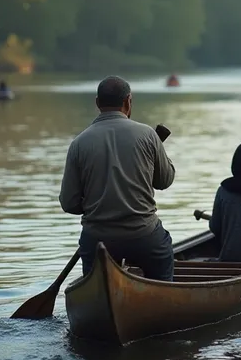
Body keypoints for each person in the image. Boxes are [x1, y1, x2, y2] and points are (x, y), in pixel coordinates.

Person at [59, 75, 175, 280]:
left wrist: (95, 205)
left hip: (97, 239)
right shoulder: (148, 135)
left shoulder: (79, 143)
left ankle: (99, 301)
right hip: (144, 236)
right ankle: (163, 299)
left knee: (92, 278)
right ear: (128, 101)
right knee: (163, 260)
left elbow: (69, 203)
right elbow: (164, 181)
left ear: (97, 103)